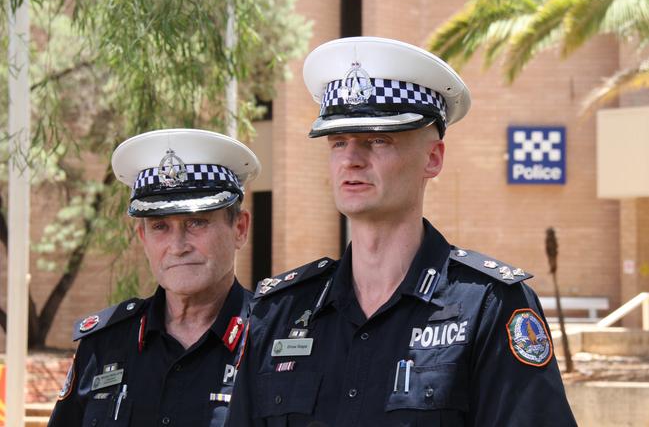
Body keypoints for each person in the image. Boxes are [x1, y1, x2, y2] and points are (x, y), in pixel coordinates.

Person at [227, 37, 577, 426]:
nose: (351, 159)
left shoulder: (490, 307)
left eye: (378, 139)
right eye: (338, 141)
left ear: (433, 158)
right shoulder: (280, 312)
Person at [49, 128, 260, 427]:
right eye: (160, 226)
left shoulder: (269, 341)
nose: (178, 246)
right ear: (142, 237)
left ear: (239, 228)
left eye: (197, 222)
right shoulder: (104, 344)